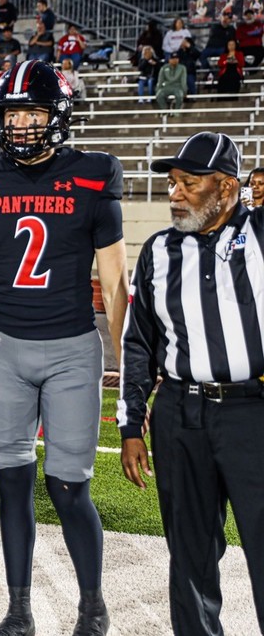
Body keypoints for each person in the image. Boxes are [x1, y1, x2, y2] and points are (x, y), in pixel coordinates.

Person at [0, 60, 127, 636]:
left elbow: (116, 285)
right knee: (10, 482)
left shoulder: (94, 174)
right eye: (12, 113)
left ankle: (92, 605)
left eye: (33, 112)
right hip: (5, 349)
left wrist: (135, 375)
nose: (20, 124)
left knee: (69, 487)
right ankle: (19, 610)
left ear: (57, 115)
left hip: (72, 348)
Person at [120, 131, 264, 636]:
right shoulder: (158, 251)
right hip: (179, 413)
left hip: (253, 411)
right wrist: (131, 425)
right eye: (172, 183)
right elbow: (138, 342)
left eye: (188, 183)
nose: (174, 194)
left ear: (226, 189)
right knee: (189, 554)